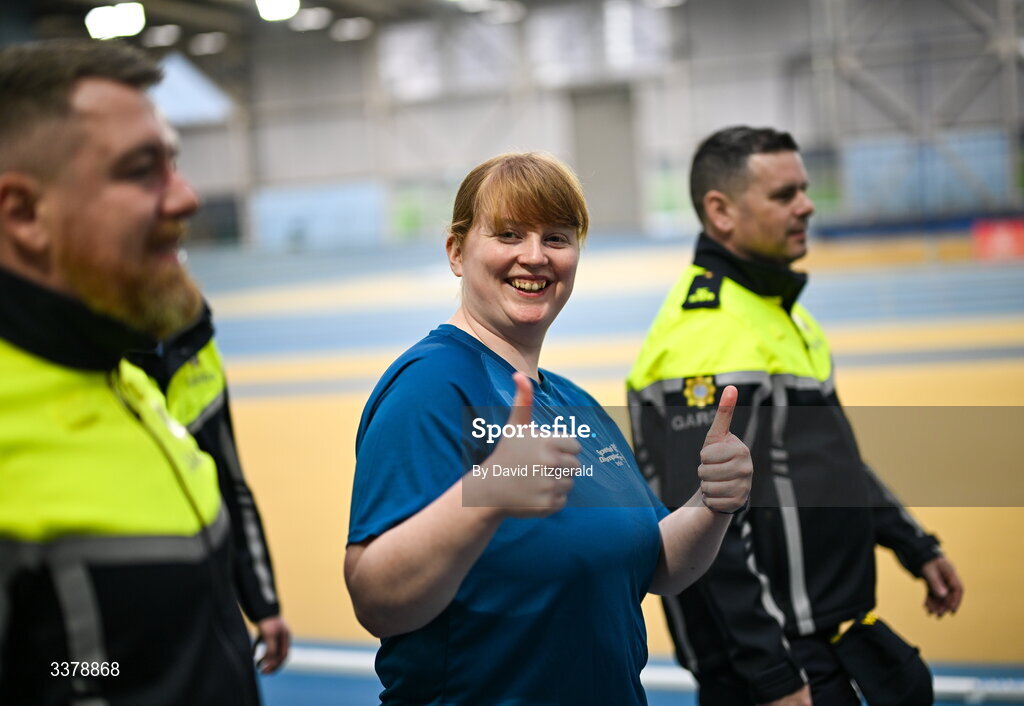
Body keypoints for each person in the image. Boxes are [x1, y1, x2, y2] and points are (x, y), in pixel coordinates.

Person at [345, 152, 753, 705]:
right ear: (456, 251)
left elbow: (654, 562)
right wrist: (487, 495)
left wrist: (712, 503)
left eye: (557, 238)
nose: (534, 257)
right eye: (509, 234)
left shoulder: (573, 401)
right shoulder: (431, 386)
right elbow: (376, 599)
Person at [627, 126, 964, 706]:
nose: (807, 205)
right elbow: (708, 535)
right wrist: (773, 677)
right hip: (778, 660)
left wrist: (913, 543)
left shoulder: (780, 316)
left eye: (804, 190)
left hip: (837, 636)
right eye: (785, 195)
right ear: (721, 211)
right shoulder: (706, 335)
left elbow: (828, 461)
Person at [0, 39, 260, 704]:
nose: (187, 197)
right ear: (24, 214)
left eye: (174, 162)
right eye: (142, 170)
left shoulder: (132, 384)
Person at [127, 302, 291, 675]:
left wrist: (262, 604)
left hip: (210, 610)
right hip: (127, 620)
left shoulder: (196, 343)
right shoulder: (84, 356)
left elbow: (230, 485)